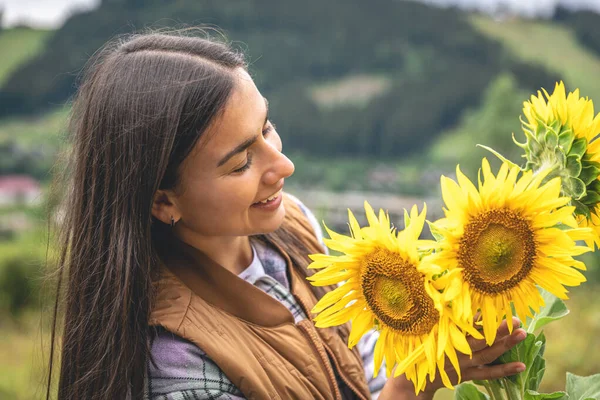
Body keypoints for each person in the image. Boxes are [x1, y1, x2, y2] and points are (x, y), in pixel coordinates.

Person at [46, 31, 527, 400]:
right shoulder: (176, 363)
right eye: (240, 163)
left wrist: (428, 340)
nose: (283, 165)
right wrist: (410, 389)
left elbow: (362, 365)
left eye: (267, 127)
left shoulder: (293, 225)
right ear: (163, 201)